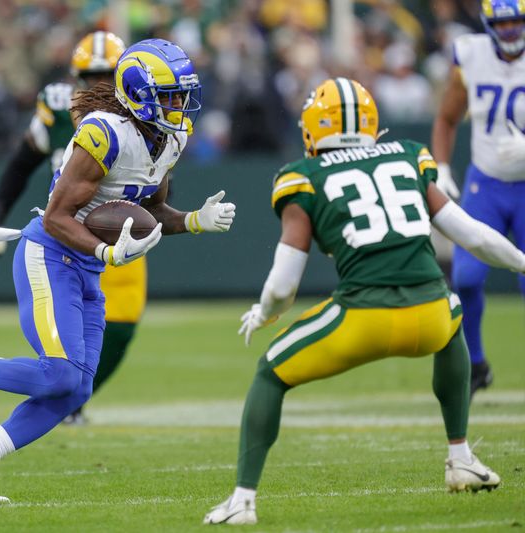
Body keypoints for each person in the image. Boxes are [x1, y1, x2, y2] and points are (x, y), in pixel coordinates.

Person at [0, 38, 236, 503]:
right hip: (50, 255)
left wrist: (194, 220)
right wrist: (105, 253)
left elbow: (151, 211)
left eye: (183, 95)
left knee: (75, 390)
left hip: (85, 269)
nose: (180, 106)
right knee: (59, 375)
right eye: (170, 95)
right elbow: (56, 217)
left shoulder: (170, 139)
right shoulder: (105, 133)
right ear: (139, 95)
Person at [204, 78, 519, 526]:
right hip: (430, 314)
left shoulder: (303, 177)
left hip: (363, 318)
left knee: (270, 373)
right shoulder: (409, 156)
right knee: (453, 319)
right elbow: (473, 235)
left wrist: (265, 313)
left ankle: (242, 501)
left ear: (314, 127)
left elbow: (282, 285)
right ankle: (461, 456)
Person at [0, 31, 141, 425]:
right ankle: (65, 397)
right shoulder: (58, 107)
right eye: (92, 75)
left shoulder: (141, 110)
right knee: (63, 349)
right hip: (66, 234)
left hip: (117, 230)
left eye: (108, 74)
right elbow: (21, 163)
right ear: (76, 76)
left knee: (121, 327)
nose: (100, 84)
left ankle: (75, 401)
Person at [431, 0, 525, 397]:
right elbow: (447, 117)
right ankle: (477, 364)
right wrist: (443, 166)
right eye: (501, 24)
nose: (509, 32)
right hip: (484, 182)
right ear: (487, 24)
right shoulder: (471, 57)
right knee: (466, 276)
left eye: (516, 22)